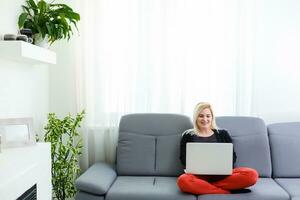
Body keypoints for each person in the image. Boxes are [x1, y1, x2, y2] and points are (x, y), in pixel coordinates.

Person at [177, 102, 258, 194]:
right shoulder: (187, 135)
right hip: (198, 176)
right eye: (201, 116)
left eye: (208, 116)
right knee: (183, 180)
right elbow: (183, 159)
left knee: (252, 174)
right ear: (196, 117)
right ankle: (226, 191)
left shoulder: (223, 134)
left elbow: (232, 157)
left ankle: (205, 187)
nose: (205, 119)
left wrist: (221, 166)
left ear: (212, 117)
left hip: (222, 176)